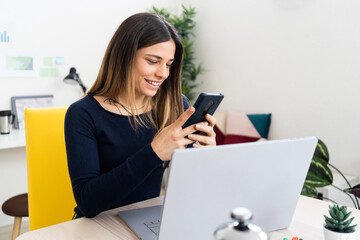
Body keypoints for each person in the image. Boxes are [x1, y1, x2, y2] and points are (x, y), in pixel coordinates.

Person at [64, 12, 217, 218]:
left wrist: (206, 156)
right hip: (97, 225)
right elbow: (88, 202)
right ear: (124, 57)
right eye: (153, 61)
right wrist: (153, 153)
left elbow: (190, 186)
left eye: (169, 64)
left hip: (146, 219)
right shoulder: (83, 113)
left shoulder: (175, 105)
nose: (163, 73)